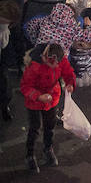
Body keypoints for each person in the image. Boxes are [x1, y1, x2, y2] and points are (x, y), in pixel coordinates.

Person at [20, 43, 75, 173]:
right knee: (35, 127)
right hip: (35, 102)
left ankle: (48, 148)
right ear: (46, 58)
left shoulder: (60, 60)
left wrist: (70, 83)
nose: (57, 67)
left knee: (50, 125)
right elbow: (25, 86)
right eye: (54, 64)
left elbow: (68, 72)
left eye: (58, 64)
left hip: (52, 98)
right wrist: (38, 96)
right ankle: (30, 155)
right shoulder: (34, 67)